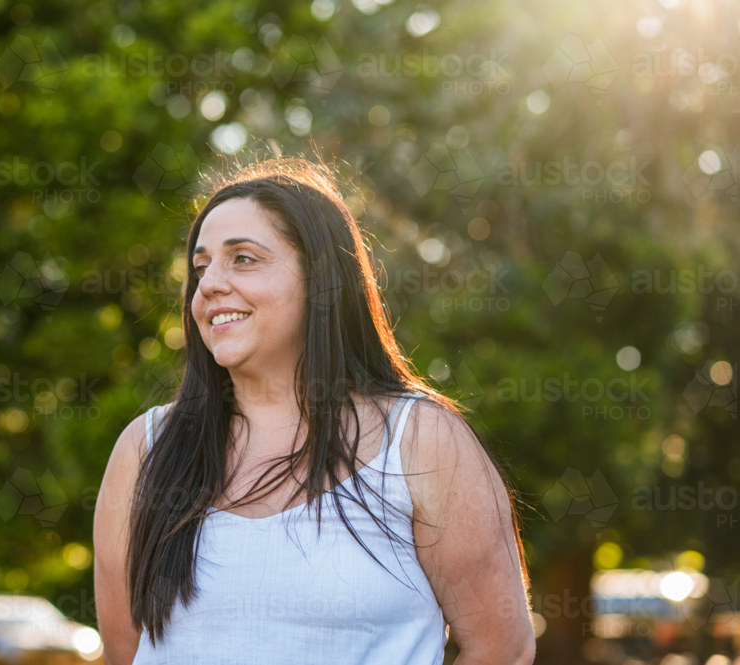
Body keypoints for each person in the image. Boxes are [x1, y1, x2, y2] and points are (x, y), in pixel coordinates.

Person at [94, 155, 535, 664]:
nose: (209, 283)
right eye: (201, 266)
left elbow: (503, 647)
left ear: (319, 280)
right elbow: (125, 652)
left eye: (243, 259)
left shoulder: (420, 441)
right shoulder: (144, 449)